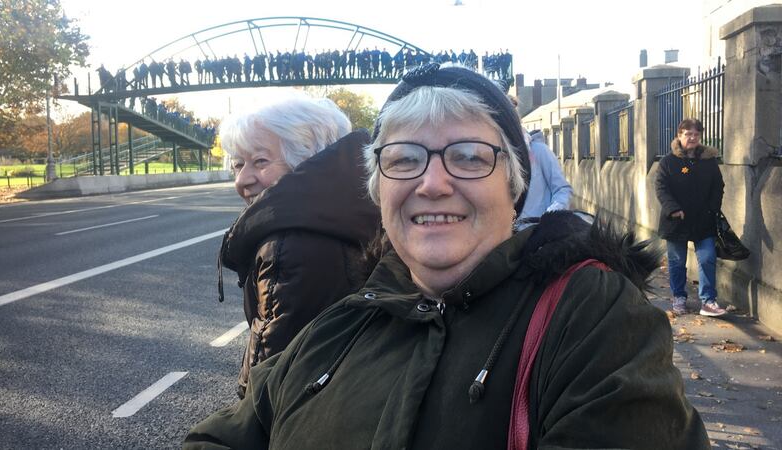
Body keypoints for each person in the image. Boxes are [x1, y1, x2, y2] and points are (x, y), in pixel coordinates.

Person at [185, 65, 709, 449]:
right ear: (378, 189)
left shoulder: (591, 313)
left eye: (467, 157)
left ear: (514, 186)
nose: (432, 183)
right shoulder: (347, 320)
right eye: (404, 159)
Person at [216, 97, 382, 398]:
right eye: (238, 164)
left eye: (260, 161)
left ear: (306, 159)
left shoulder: (291, 244)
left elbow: (270, 369)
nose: (242, 180)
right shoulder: (348, 210)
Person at [656, 118, 726, 317]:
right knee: (677, 261)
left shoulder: (709, 161)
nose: (692, 138)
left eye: (696, 134)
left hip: (703, 220)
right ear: (679, 136)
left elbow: (718, 187)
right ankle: (679, 296)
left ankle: (708, 301)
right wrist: (673, 208)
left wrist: (713, 208)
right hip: (676, 220)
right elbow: (661, 188)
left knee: (707, 258)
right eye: (688, 134)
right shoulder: (668, 162)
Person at [515, 127, 573, 230]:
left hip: (539, 233)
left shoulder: (540, 151)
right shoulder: (502, 156)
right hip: (512, 237)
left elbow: (562, 190)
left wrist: (548, 218)